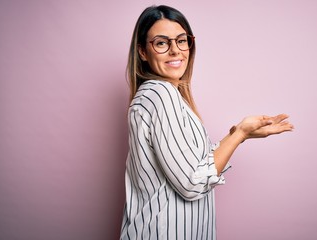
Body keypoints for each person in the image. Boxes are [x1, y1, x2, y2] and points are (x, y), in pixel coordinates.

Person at [120, 5, 293, 240]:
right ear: (142, 51)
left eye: (182, 41)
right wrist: (239, 134)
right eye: (161, 43)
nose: (175, 50)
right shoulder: (160, 93)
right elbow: (192, 184)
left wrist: (238, 134)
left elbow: (192, 167)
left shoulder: (162, 96)